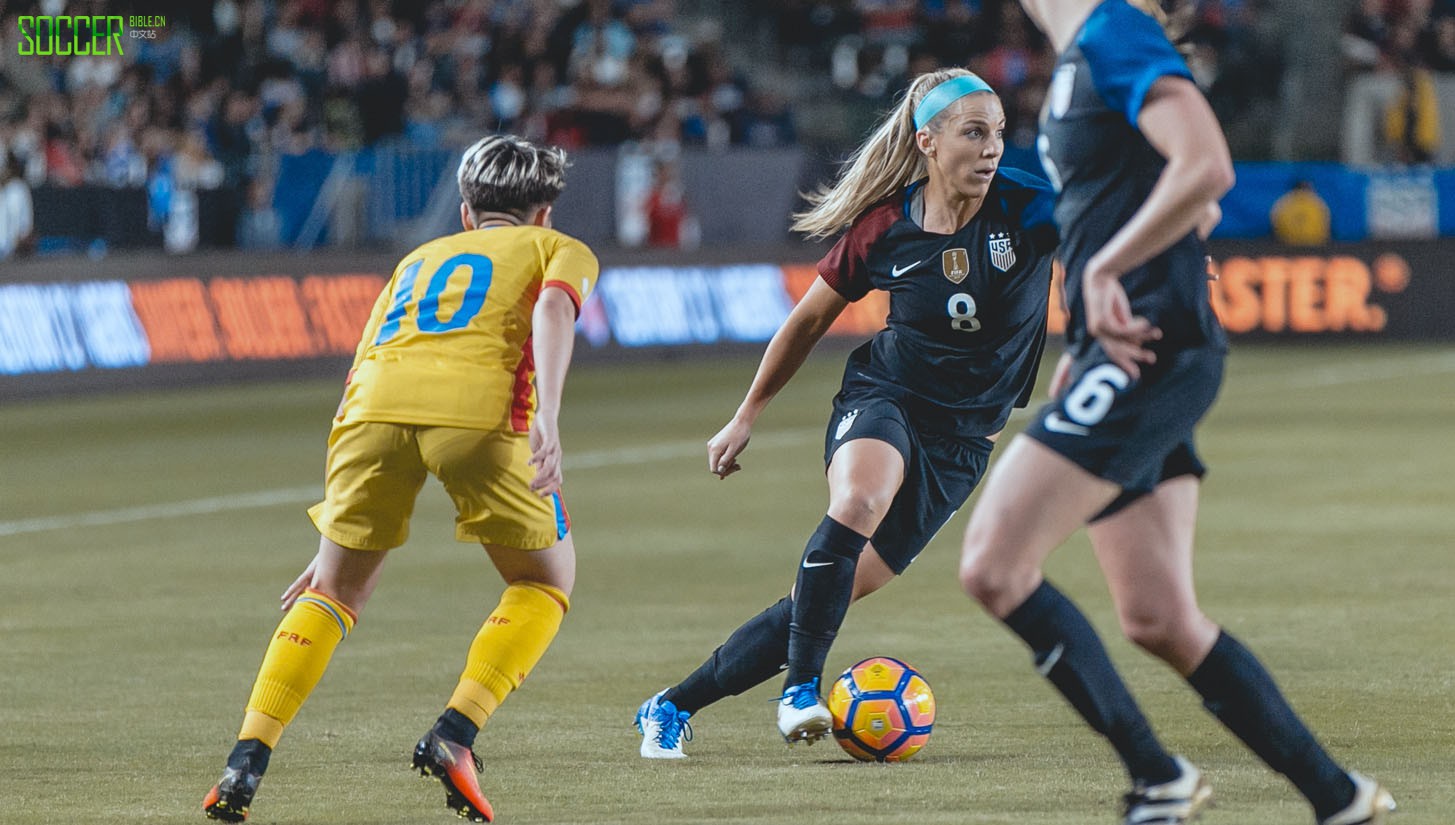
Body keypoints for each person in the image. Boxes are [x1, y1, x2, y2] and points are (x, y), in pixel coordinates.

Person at [956, 2, 1396, 825]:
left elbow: (1206, 168)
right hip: (1125, 355)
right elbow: (1185, 204)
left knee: (993, 564)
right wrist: (1090, 335)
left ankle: (1158, 778)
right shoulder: (1083, 57)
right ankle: (1340, 798)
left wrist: (1110, 269)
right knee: (1158, 617)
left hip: (1150, 353)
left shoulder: (1112, 31)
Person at [634, 68, 1059, 756]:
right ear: (926, 140)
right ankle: (800, 689)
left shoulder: (1029, 209)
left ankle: (670, 704)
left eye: (999, 134)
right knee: (859, 498)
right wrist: (745, 414)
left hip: (962, 442)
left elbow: (1110, 228)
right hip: (885, 396)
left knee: (819, 602)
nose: (992, 149)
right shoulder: (884, 227)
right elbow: (804, 322)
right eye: (974, 132)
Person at [201, 134, 597, 823]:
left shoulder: (417, 258)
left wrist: (337, 524)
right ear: (544, 212)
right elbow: (553, 309)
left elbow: (365, 361)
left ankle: (245, 760)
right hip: (476, 418)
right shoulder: (555, 249)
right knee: (543, 579)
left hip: (367, 414)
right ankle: (455, 733)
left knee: (334, 588)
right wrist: (550, 417)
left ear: (468, 213)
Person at [1270, 179, 1332, 247]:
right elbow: (1327, 221)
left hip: (1288, 242)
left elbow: (1274, 222)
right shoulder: (1317, 201)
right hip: (1314, 243)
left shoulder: (1283, 201)